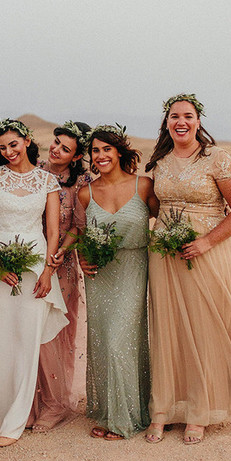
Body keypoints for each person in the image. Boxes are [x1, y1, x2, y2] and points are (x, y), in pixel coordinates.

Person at [145, 94, 231, 444]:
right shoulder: (160, 161)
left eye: (187, 115)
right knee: (168, 328)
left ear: (199, 121)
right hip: (164, 254)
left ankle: (200, 411)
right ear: (166, 123)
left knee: (203, 327)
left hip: (206, 251)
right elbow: (152, 205)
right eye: (173, 116)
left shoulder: (217, 158)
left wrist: (207, 242)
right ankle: (163, 408)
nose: (180, 121)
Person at [0, 119, 69, 446]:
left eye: (13, 144)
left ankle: (14, 419)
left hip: (35, 264)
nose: (9, 152)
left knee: (27, 340)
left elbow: (53, 231)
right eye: (3, 148)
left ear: (27, 141)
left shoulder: (47, 180)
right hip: (0, 263)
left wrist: (47, 272)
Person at [77, 125, 158, 440]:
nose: (100, 156)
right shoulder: (86, 192)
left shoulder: (144, 186)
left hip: (134, 270)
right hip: (100, 277)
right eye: (95, 151)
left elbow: (162, 221)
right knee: (104, 342)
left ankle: (124, 421)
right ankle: (116, 411)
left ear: (120, 152)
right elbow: (83, 236)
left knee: (119, 341)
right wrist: (83, 256)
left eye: (106, 149)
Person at [28, 121, 91, 432]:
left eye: (65, 148)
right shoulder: (34, 169)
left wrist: (61, 252)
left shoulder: (81, 184)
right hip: (27, 260)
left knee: (52, 331)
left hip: (61, 264)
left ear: (76, 156)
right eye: (55, 142)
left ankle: (55, 403)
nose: (56, 149)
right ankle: (29, 400)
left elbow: (79, 227)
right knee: (28, 326)